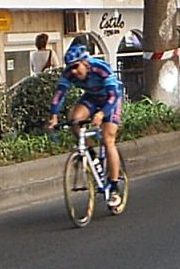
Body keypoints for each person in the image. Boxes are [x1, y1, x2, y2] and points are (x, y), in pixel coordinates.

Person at [47, 45, 123, 208]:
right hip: (92, 98)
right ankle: (89, 153)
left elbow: (113, 95)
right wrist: (53, 116)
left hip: (110, 100)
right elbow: (59, 94)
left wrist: (102, 114)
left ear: (86, 63)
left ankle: (114, 187)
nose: (73, 71)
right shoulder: (69, 73)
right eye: (70, 68)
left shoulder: (100, 68)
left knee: (108, 139)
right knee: (74, 120)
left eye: (76, 66)